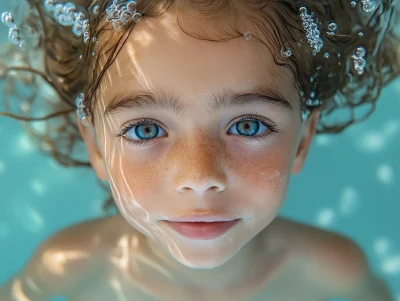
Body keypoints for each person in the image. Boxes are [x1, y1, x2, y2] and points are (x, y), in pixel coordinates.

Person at [0, 0, 399, 300]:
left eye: (248, 125)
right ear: (97, 147)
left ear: (303, 140)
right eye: (146, 128)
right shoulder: (68, 264)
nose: (200, 177)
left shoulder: (335, 269)